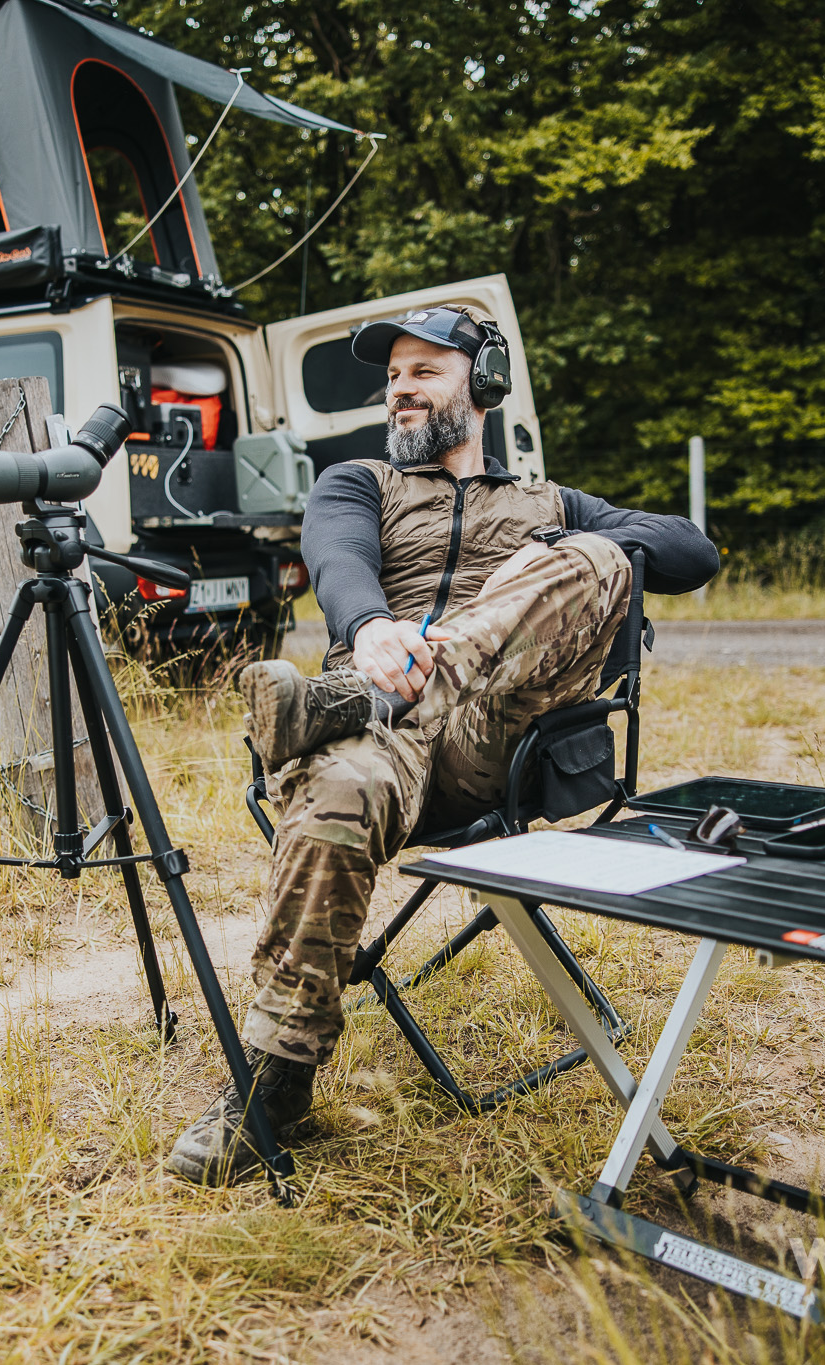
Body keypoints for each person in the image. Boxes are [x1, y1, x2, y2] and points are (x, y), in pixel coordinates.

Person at [167, 305, 719, 1184]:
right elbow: (337, 556)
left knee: (599, 557)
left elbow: (693, 553)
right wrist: (373, 626)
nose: (400, 390)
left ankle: (345, 700)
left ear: (484, 382)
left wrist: (551, 554)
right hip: (380, 737)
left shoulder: (548, 502)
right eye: (392, 377)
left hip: (496, 743)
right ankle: (275, 1083)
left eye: (424, 371)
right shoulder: (361, 482)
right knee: (335, 789)